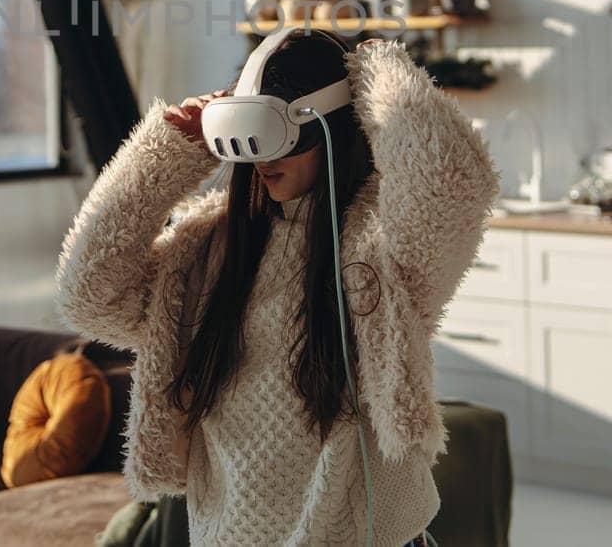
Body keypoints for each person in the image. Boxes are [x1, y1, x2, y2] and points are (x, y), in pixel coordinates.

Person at [56, 30, 500, 547]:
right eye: (251, 132)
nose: (263, 157)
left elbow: (449, 181)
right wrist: (168, 154)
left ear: (334, 125)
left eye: (283, 132)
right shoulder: (205, 253)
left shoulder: (379, 250)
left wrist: (377, 66)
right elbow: (88, 295)